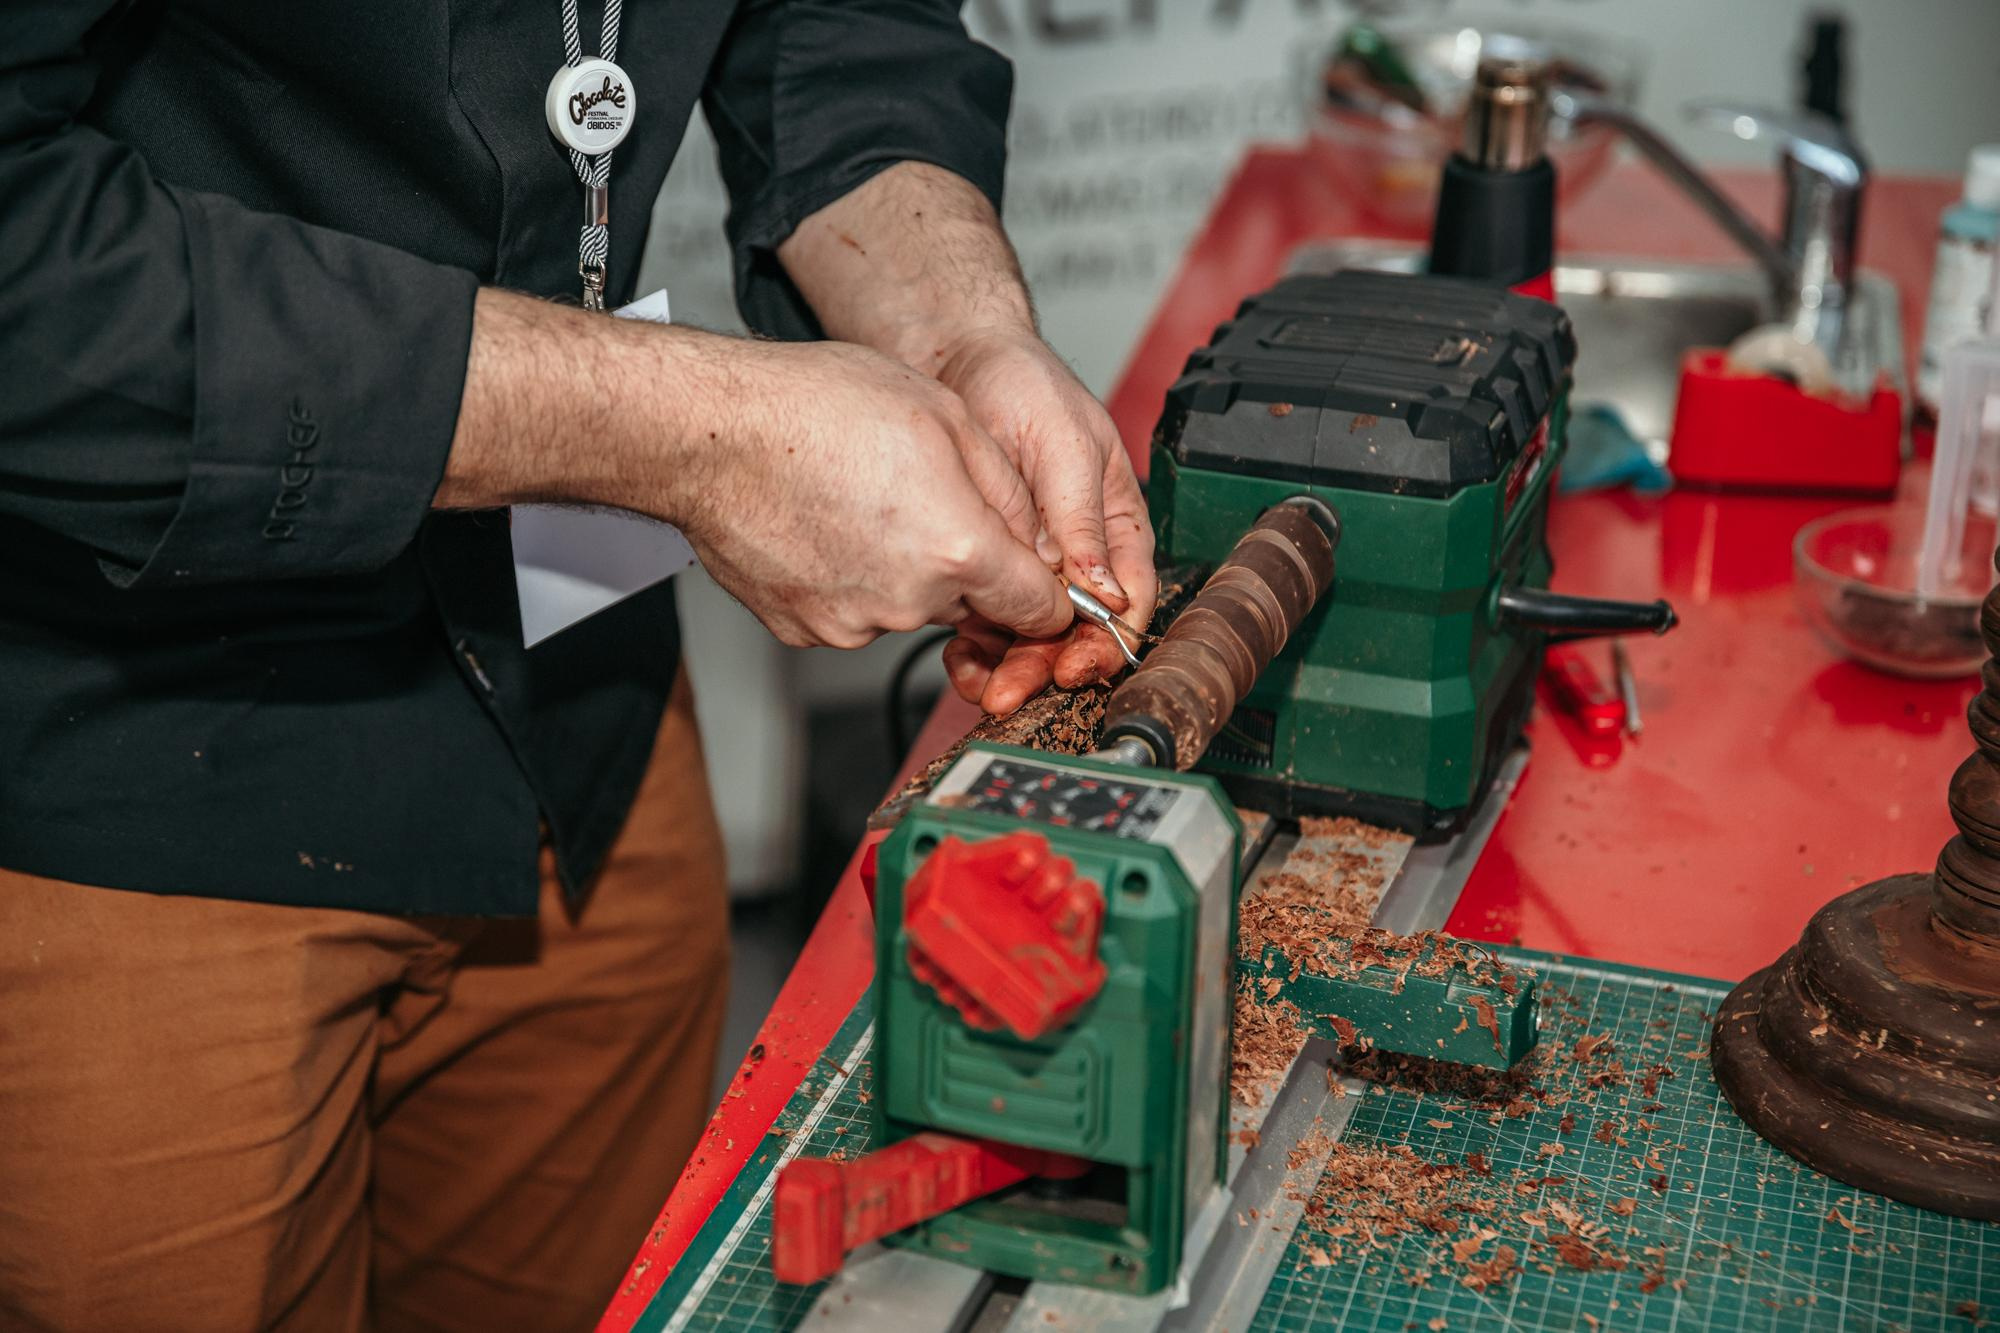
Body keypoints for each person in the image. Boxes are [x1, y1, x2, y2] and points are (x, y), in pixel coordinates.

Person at [0, 3, 1155, 1329]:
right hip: (137, 769)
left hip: (585, 720)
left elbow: (845, 30)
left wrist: (960, 336)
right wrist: (694, 440)